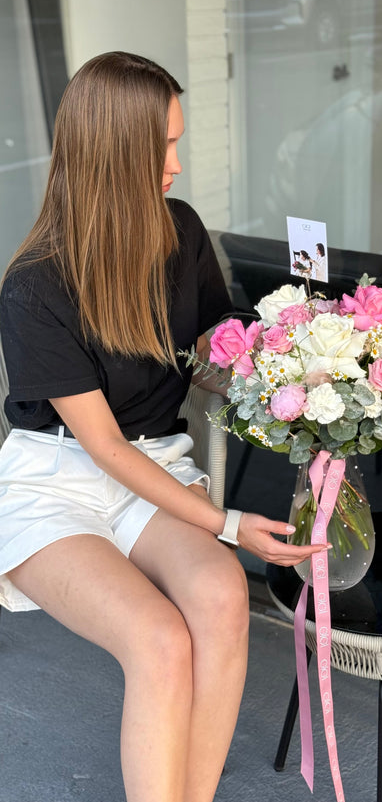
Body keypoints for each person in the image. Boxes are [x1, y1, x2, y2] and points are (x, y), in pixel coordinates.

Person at [0, 51, 327, 802]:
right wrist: (229, 520)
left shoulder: (180, 229)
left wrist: (296, 367)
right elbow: (105, 447)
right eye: (164, 148)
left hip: (155, 468)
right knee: (158, 640)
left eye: (178, 142)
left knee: (218, 598)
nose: (177, 164)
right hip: (57, 484)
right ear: (115, 155)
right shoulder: (35, 284)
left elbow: (214, 350)